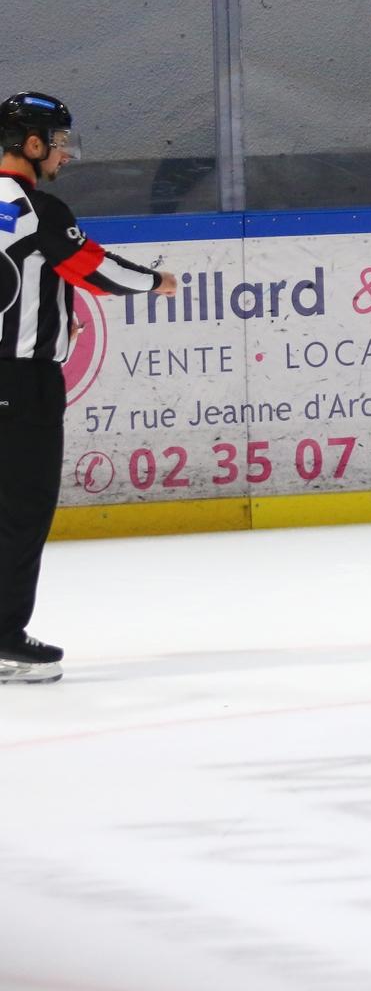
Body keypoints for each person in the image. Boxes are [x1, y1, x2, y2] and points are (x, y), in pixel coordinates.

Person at [1, 91, 179, 685]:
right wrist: (155, 281)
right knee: (21, 512)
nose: (64, 155)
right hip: (20, 384)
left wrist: (51, 318)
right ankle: (3, 639)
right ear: (30, 144)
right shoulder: (36, 209)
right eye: (57, 143)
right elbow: (94, 270)